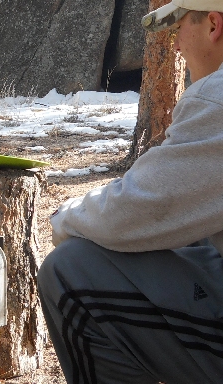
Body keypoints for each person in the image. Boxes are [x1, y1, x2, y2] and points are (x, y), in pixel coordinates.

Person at [38, 1, 223, 383]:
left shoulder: (216, 99)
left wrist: (65, 218)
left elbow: (143, 205)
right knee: (190, 242)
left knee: (69, 271)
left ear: (213, 26)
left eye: (179, 29)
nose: (175, 46)